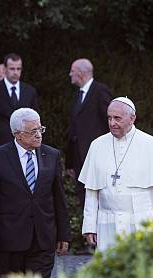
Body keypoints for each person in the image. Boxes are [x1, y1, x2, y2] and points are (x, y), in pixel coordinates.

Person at [0, 108, 70, 278]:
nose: (38, 135)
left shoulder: (52, 155)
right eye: (32, 131)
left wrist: (63, 234)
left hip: (43, 240)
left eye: (40, 129)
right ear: (17, 134)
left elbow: (59, 198)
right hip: (8, 240)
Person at [79, 97, 153, 252]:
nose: (112, 123)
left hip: (142, 225)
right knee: (109, 271)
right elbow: (91, 191)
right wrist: (90, 226)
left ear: (132, 118)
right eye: (109, 118)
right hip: (107, 225)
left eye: (117, 118)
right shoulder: (97, 145)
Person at [65, 58, 113, 207]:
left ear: (81, 73)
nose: (69, 74)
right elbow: (74, 130)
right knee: (83, 197)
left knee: (98, 196)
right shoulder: (78, 95)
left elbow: (110, 122)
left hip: (96, 156)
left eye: (72, 71)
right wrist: (70, 162)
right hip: (79, 159)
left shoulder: (100, 91)